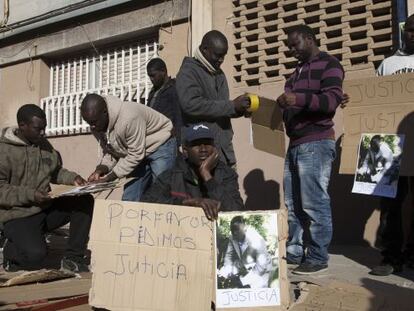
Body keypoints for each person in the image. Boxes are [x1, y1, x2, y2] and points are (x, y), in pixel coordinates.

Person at [277, 24, 344, 274]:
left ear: (309, 38)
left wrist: (297, 99)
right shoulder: (296, 73)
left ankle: (317, 256)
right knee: (292, 204)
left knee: (314, 203)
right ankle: (294, 252)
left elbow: (331, 101)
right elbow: (290, 104)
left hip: (316, 142)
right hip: (295, 143)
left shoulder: (330, 64)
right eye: (289, 47)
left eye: (295, 45)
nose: (292, 50)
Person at [0, 104, 94, 272]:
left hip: (44, 208)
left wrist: (73, 178)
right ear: (22, 126)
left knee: (84, 200)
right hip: (15, 216)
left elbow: (54, 171)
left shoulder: (43, 144)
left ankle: (73, 259)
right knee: (35, 256)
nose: (43, 133)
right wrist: (31, 195)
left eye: (45, 128)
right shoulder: (3, 151)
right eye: (38, 129)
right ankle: (10, 250)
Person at [370, 13, 414, 276]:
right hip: (391, 145)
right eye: (410, 30)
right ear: (403, 31)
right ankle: (390, 257)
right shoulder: (387, 65)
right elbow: (372, 102)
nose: (413, 34)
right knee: (390, 202)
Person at [80, 93, 176, 202]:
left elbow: (135, 155)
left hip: (160, 144)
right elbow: (111, 151)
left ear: (105, 113)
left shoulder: (129, 117)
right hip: (136, 152)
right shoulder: (97, 125)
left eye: (93, 122)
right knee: (129, 198)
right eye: (88, 123)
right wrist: (100, 170)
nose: (92, 127)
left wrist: (108, 178)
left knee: (161, 193)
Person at [176, 30, 250, 167]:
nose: (221, 59)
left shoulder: (219, 74)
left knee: (229, 189)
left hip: (224, 152)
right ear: (205, 49)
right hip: (201, 155)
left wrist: (240, 109)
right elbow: (191, 105)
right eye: (218, 55)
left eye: (224, 55)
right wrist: (231, 106)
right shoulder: (188, 72)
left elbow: (220, 109)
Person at [142, 123, 244, 220]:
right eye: (196, 144)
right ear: (186, 151)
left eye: (208, 143)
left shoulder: (226, 174)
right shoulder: (172, 175)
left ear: (214, 149)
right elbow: (147, 204)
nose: (203, 149)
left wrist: (207, 176)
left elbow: (237, 211)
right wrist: (188, 203)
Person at [218, 216, 272, 288]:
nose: (235, 234)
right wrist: (227, 271)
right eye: (233, 232)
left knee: (255, 290)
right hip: (244, 266)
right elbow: (229, 256)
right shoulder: (232, 237)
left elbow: (261, 266)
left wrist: (244, 281)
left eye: (237, 231)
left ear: (244, 228)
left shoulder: (257, 239)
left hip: (261, 271)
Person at [146, 58, 182, 144]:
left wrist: (179, 142)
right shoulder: (153, 92)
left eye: (153, 75)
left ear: (163, 71)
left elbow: (178, 117)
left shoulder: (174, 88)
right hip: (153, 140)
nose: (151, 79)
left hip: (169, 140)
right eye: (149, 76)